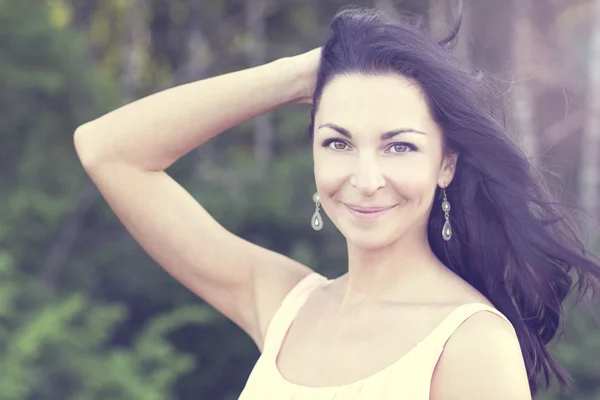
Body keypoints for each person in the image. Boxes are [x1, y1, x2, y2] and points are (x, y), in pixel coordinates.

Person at [74, 5, 600, 400]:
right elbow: (107, 151)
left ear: (447, 163)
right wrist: (299, 75)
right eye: (338, 142)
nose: (366, 179)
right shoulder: (286, 306)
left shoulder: (469, 343)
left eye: (399, 146)